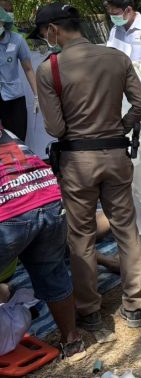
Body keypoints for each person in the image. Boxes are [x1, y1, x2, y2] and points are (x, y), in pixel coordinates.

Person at [32, 2, 141, 330]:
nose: (45, 39)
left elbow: (55, 129)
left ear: (53, 30)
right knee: (125, 228)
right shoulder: (117, 58)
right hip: (116, 155)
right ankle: (135, 305)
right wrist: (119, 128)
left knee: (81, 235)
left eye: (43, 33)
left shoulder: (50, 69)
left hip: (77, 163)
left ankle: (90, 310)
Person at [0, 126, 84, 358]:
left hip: (11, 212)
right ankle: (72, 342)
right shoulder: (7, 133)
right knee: (53, 272)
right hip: (48, 197)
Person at [0, 6, 38, 141]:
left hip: (14, 97)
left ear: (3, 22)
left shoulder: (17, 40)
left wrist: (37, 95)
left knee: (17, 138)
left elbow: (28, 69)